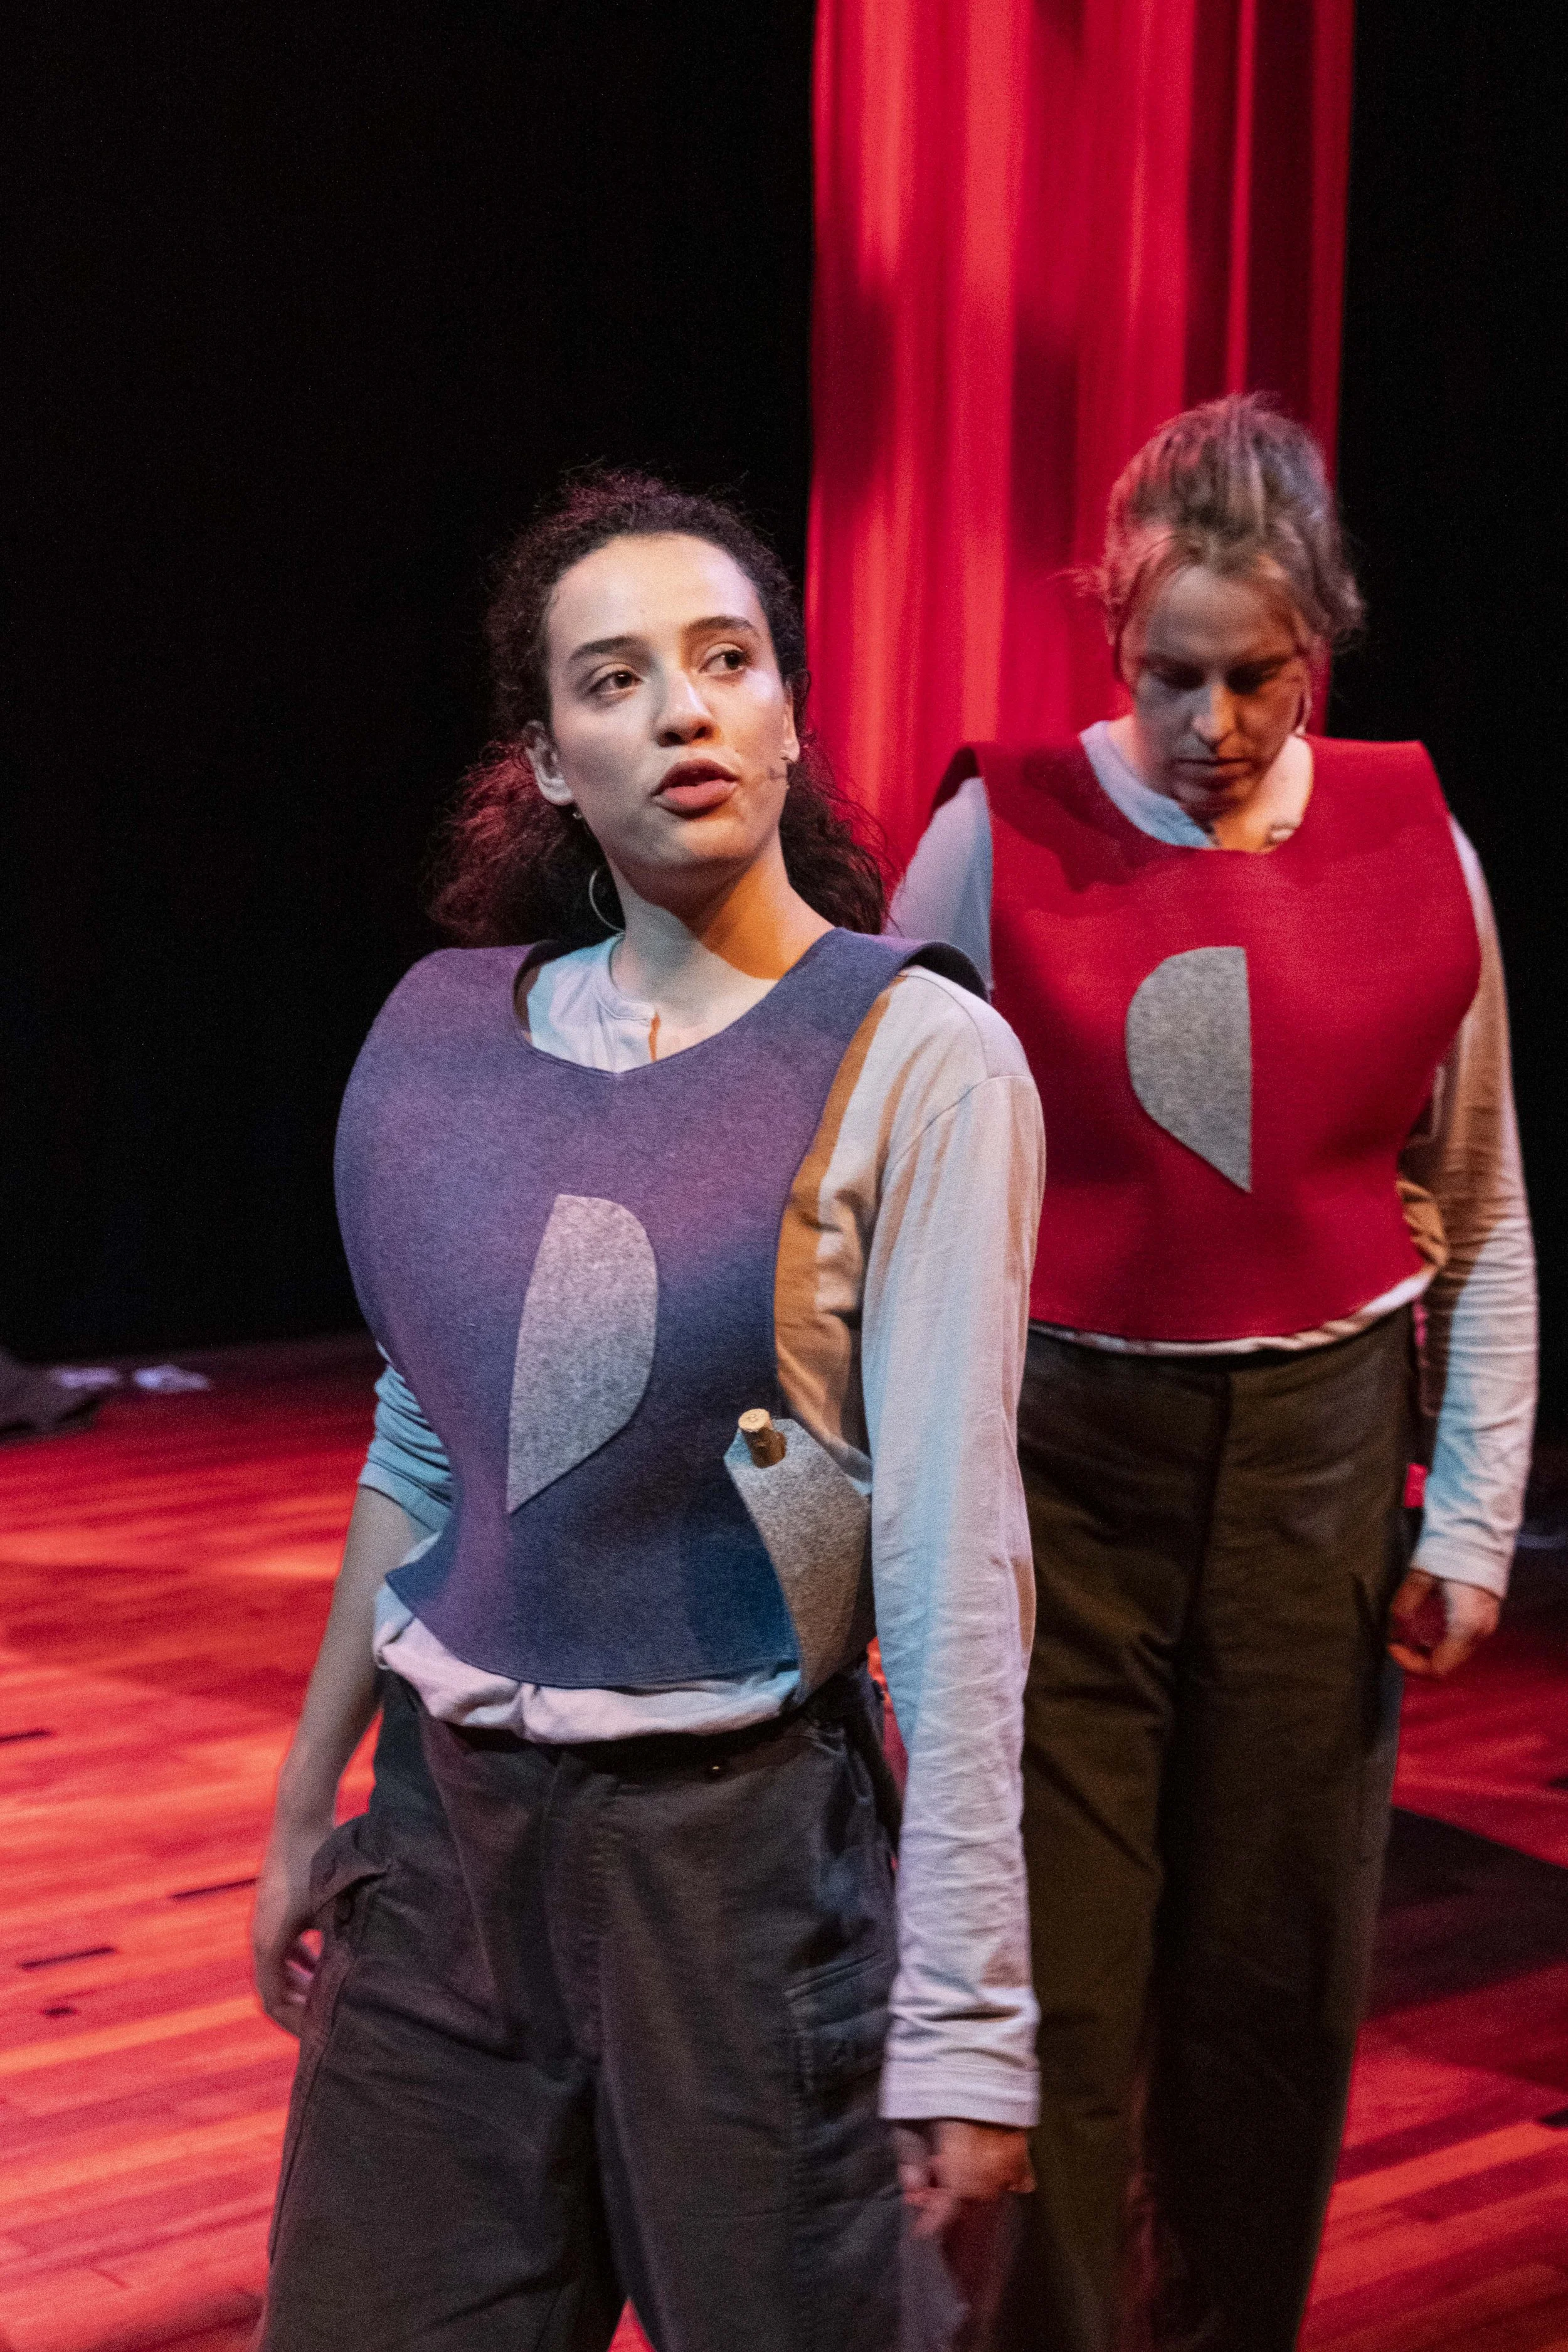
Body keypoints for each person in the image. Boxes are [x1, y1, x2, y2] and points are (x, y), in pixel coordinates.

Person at [252, 473, 1043, 2351]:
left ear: (788, 713)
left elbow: (948, 1561)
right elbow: (426, 1452)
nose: (683, 709)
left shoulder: (917, 1054)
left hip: (737, 1879)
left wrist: (969, 2011)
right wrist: (307, 1810)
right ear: (543, 756)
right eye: (615, 679)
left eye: (725, 659)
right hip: (444, 1854)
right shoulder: (445, 1033)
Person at [893, 395, 1537, 2352]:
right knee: (1068, 1985)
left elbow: (1480, 1200)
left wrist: (1479, 1512)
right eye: (1171, 675)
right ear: (1116, 648)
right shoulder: (989, 835)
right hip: (1062, 1465)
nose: (1213, 725)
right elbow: (873, 1189)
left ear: (1314, 648)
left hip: (1314, 1471)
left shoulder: (1413, 836)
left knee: (1268, 1985)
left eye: (1255, 677)